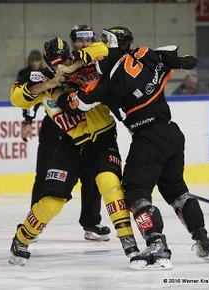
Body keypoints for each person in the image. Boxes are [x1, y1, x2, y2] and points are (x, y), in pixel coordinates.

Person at [57, 27, 209, 270]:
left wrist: (59, 93)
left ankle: (156, 245)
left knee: (135, 193)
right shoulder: (144, 53)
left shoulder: (106, 81)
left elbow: (74, 104)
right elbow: (175, 58)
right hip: (172, 134)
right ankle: (203, 241)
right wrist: (182, 62)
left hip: (148, 138)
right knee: (177, 192)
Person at [9, 37, 139, 266]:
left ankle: (129, 243)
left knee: (109, 183)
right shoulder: (46, 81)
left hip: (103, 138)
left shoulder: (87, 65)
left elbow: (103, 49)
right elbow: (16, 98)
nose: (59, 66)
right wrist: (47, 85)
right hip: (71, 144)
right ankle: (21, 239)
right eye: (55, 63)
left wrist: (72, 66)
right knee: (51, 201)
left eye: (63, 60)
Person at [19, 26, 111, 241]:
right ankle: (34, 222)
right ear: (72, 44)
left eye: (88, 39)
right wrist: (28, 120)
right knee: (44, 172)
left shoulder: (92, 61)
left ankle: (91, 222)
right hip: (56, 125)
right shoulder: (55, 64)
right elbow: (34, 93)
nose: (85, 43)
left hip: (85, 125)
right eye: (80, 41)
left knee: (92, 175)